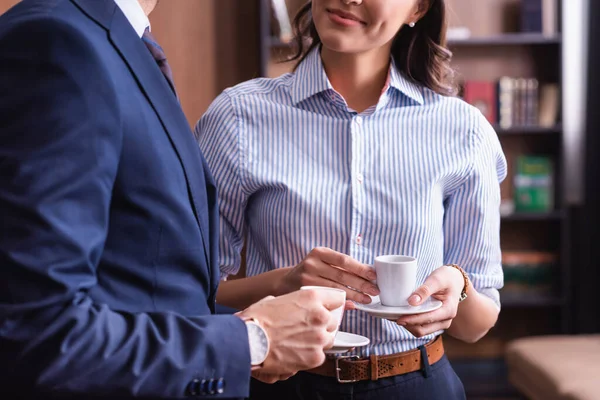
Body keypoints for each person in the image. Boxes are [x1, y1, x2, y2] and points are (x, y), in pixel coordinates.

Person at [0, 0, 346, 399]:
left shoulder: (116, 38)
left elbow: (151, 290)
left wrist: (270, 322)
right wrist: (252, 341)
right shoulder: (58, 43)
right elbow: (37, 331)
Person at [195, 0, 507, 398]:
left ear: (418, 8)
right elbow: (193, 291)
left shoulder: (464, 132)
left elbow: (475, 325)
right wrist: (282, 283)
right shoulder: (238, 117)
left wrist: (459, 287)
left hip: (418, 385)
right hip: (279, 384)